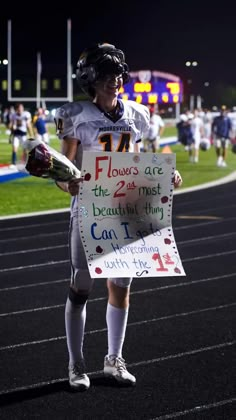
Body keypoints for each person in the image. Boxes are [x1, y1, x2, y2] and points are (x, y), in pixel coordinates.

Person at [54, 42, 183, 391]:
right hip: (90, 211)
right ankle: (76, 363)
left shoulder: (137, 114)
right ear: (91, 79)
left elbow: (138, 162)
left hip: (127, 210)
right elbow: (63, 172)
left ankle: (114, 359)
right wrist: (70, 184)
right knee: (81, 287)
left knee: (121, 286)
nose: (115, 80)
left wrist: (164, 177)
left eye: (117, 74)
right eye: (106, 75)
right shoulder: (75, 116)